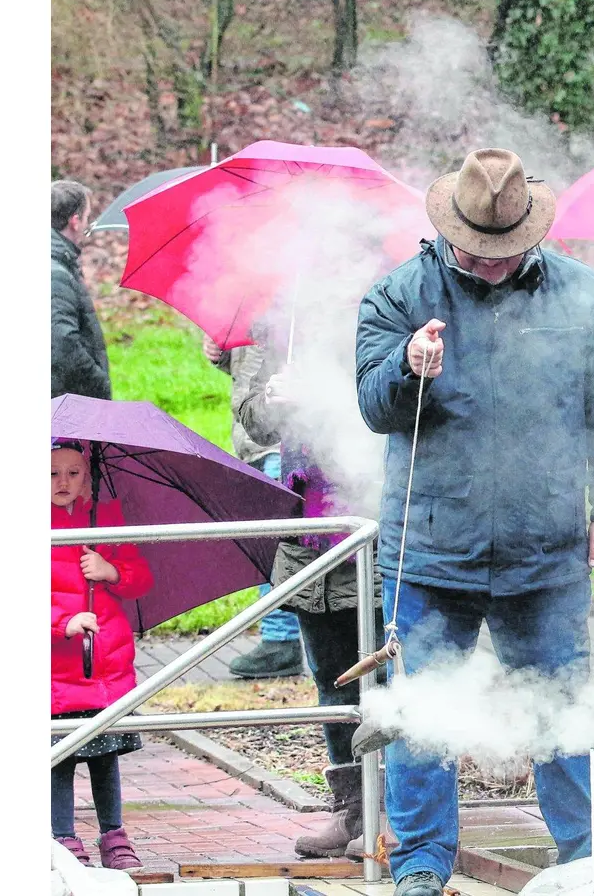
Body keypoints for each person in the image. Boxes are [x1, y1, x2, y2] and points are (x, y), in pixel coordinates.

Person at [355, 148, 594, 896]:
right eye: (476, 253)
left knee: (560, 707)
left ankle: (586, 856)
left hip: (545, 548)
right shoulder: (398, 294)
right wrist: (406, 367)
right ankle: (420, 863)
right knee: (423, 716)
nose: (488, 265)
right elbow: (373, 406)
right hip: (429, 547)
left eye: (503, 254)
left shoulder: (584, 291)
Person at [236, 320, 386, 859]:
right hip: (305, 534)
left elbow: (391, 407)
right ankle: (350, 811)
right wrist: (277, 400)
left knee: (382, 676)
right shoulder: (285, 326)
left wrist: (321, 399)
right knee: (331, 681)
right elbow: (252, 422)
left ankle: (391, 811)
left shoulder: (376, 315)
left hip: (368, 524)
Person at [51, 440, 154, 870]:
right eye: (51, 473)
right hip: (56, 671)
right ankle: (61, 835)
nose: (62, 482)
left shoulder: (105, 519)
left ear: (89, 477)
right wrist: (62, 623)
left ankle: (113, 833)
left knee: (104, 758)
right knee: (58, 761)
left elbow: (140, 578)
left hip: (104, 667)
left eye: (74, 472)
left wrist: (111, 571)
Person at [205, 337, 306, 678]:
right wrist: (223, 356)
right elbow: (249, 374)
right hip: (251, 440)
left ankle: (282, 639)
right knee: (267, 543)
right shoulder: (245, 305)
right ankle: (281, 636)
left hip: (277, 445)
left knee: (275, 545)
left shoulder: (284, 308)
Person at [52, 180, 112, 400]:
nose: (89, 225)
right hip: (65, 409)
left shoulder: (60, 264)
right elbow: (62, 344)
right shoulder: (55, 274)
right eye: (87, 217)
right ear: (75, 221)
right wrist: (98, 382)